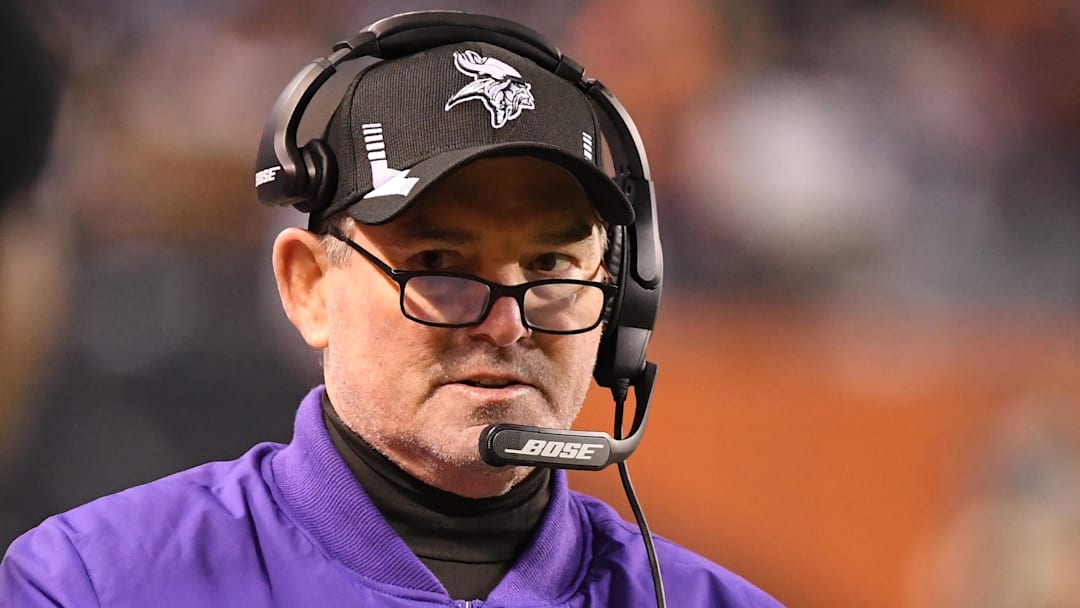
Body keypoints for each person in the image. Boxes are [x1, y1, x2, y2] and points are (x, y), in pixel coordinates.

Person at [1, 12, 783, 607]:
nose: (508, 323)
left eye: (549, 266)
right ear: (309, 287)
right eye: (440, 265)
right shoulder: (93, 584)